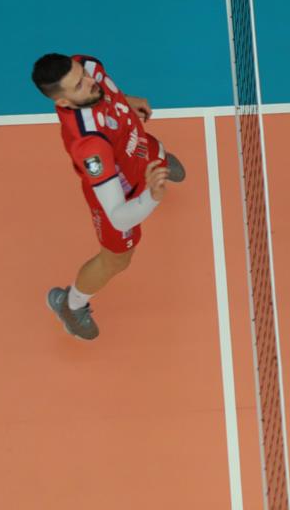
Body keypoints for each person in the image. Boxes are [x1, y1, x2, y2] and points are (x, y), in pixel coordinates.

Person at [30, 53, 185, 340]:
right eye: (79, 85)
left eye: (83, 74)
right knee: (117, 260)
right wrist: (152, 196)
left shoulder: (87, 65)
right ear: (63, 103)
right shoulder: (90, 146)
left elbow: (102, 86)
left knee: (156, 153)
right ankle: (71, 305)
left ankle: (159, 163)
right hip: (124, 189)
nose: (91, 81)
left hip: (137, 146)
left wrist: (125, 101)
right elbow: (118, 216)